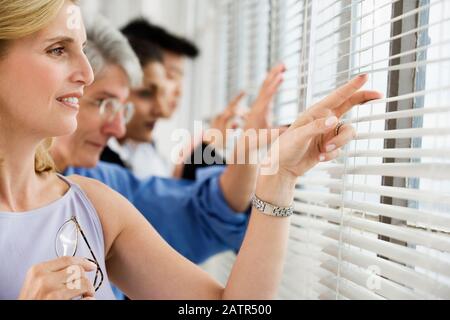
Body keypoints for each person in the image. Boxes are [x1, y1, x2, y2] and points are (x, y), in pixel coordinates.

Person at [0, 0, 381, 300]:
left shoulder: (96, 206)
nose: (85, 70)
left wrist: (278, 176)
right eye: (56, 50)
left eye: (81, 49)